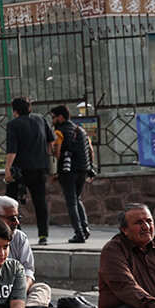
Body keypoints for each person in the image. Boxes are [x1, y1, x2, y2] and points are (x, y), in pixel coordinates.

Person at [3, 96, 55, 245]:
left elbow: (12, 151)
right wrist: (45, 155)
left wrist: (7, 169)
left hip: (20, 169)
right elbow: (51, 141)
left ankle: (15, 233)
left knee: (11, 202)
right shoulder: (41, 120)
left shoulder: (13, 125)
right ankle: (43, 235)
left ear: (15, 111)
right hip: (40, 167)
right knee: (40, 202)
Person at [50, 104, 95, 243]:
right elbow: (90, 150)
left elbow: (57, 152)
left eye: (53, 117)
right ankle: (85, 228)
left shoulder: (59, 132)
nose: (52, 120)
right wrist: (90, 167)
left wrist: (54, 172)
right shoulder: (81, 130)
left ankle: (79, 233)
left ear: (60, 117)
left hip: (67, 171)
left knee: (71, 202)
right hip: (82, 170)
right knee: (77, 199)